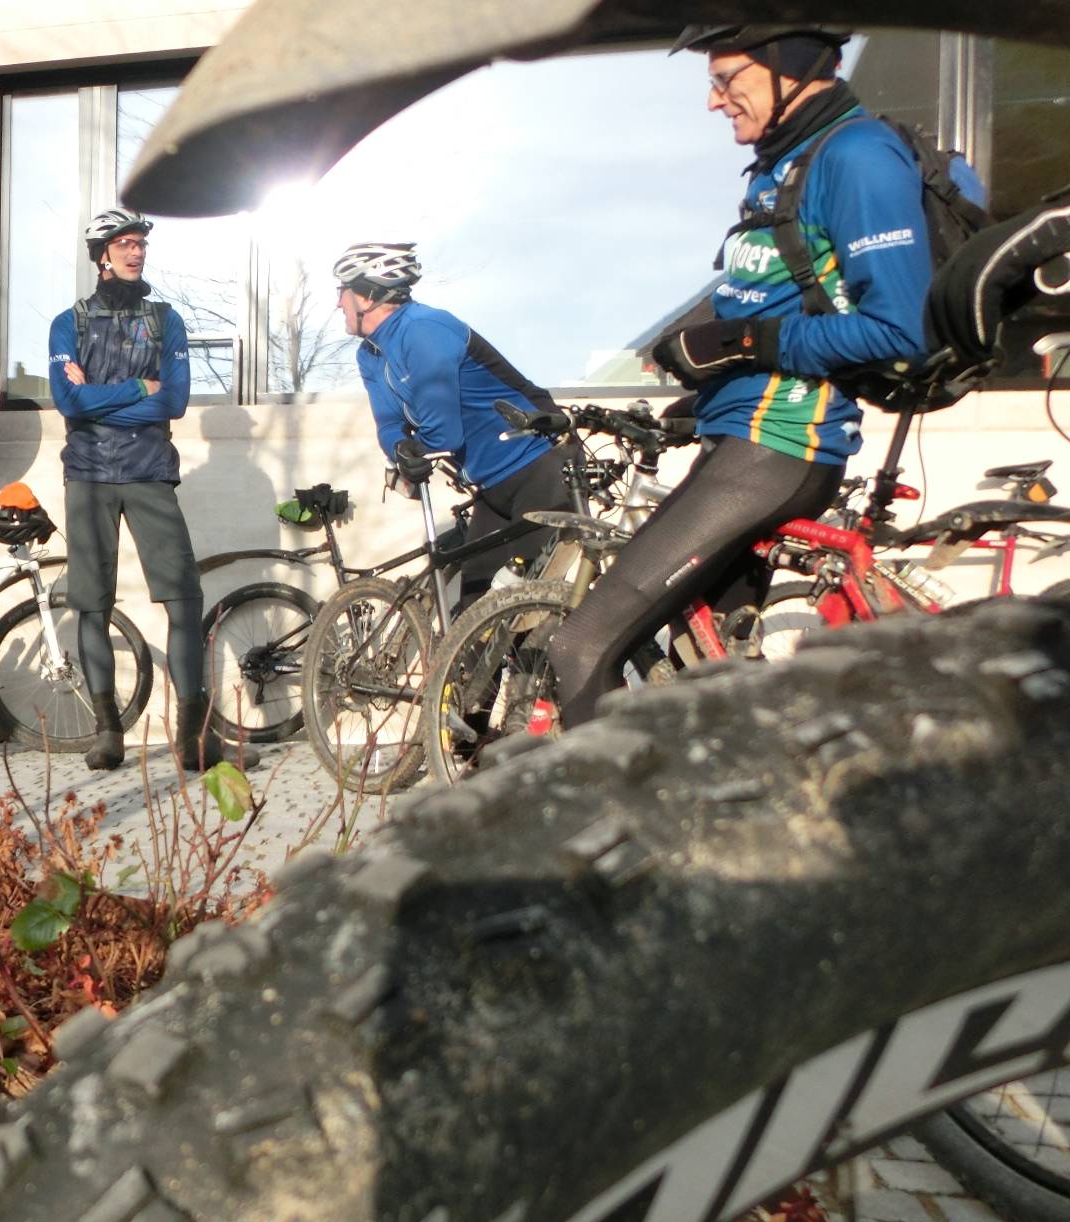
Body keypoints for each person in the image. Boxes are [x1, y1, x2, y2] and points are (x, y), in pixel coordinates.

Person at [542, 25, 928, 730]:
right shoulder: (785, 164)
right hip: (744, 438)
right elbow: (775, 301)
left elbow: (899, 330)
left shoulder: (857, 156)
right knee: (709, 674)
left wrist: (743, 342)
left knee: (582, 646)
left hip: (779, 444)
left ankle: (591, 802)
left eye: (726, 80)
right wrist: (703, 381)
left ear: (789, 67)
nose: (715, 101)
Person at [48, 208, 251, 773]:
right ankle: (108, 731)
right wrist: (140, 387)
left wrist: (97, 401)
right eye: (125, 244)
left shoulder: (166, 320)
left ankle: (191, 735)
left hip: (149, 468)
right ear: (102, 256)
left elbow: (176, 401)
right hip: (88, 474)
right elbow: (67, 403)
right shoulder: (69, 323)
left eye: (140, 243)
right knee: (92, 603)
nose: (136, 251)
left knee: (184, 597)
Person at [335, 242, 578, 604]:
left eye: (342, 291)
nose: (338, 303)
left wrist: (414, 450)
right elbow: (387, 423)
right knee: (474, 610)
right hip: (492, 485)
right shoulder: (370, 354)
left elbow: (443, 432)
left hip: (539, 467)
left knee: (526, 607)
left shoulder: (424, 329)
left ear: (367, 295)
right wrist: (400, 448)